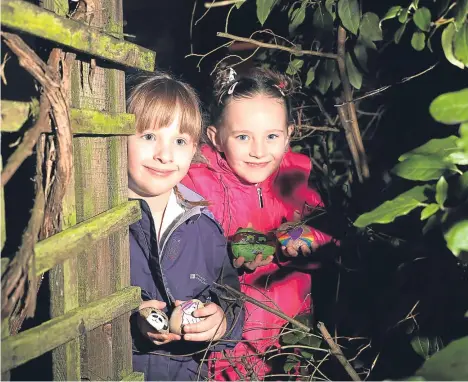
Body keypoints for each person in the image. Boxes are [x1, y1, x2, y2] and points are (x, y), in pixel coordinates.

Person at [182, 67, 334, 380]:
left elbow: (330, 240)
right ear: (216, 136)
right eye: (242, 137)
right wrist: (227, 255)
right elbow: (178, 257)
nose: (259, 151)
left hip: (291, 345)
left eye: (272, 136)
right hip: (226, 354)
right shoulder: (196, 184)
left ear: (289, 134)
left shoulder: (297, 179)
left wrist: (288, 240)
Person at [126, 71, 244, 381]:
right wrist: (132, 318)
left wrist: (220, 322)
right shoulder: (104, 220)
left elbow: (229, 293)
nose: (164, 155)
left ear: (194, 149)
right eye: (149, 136)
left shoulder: (203, 223)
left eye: (179, 140)